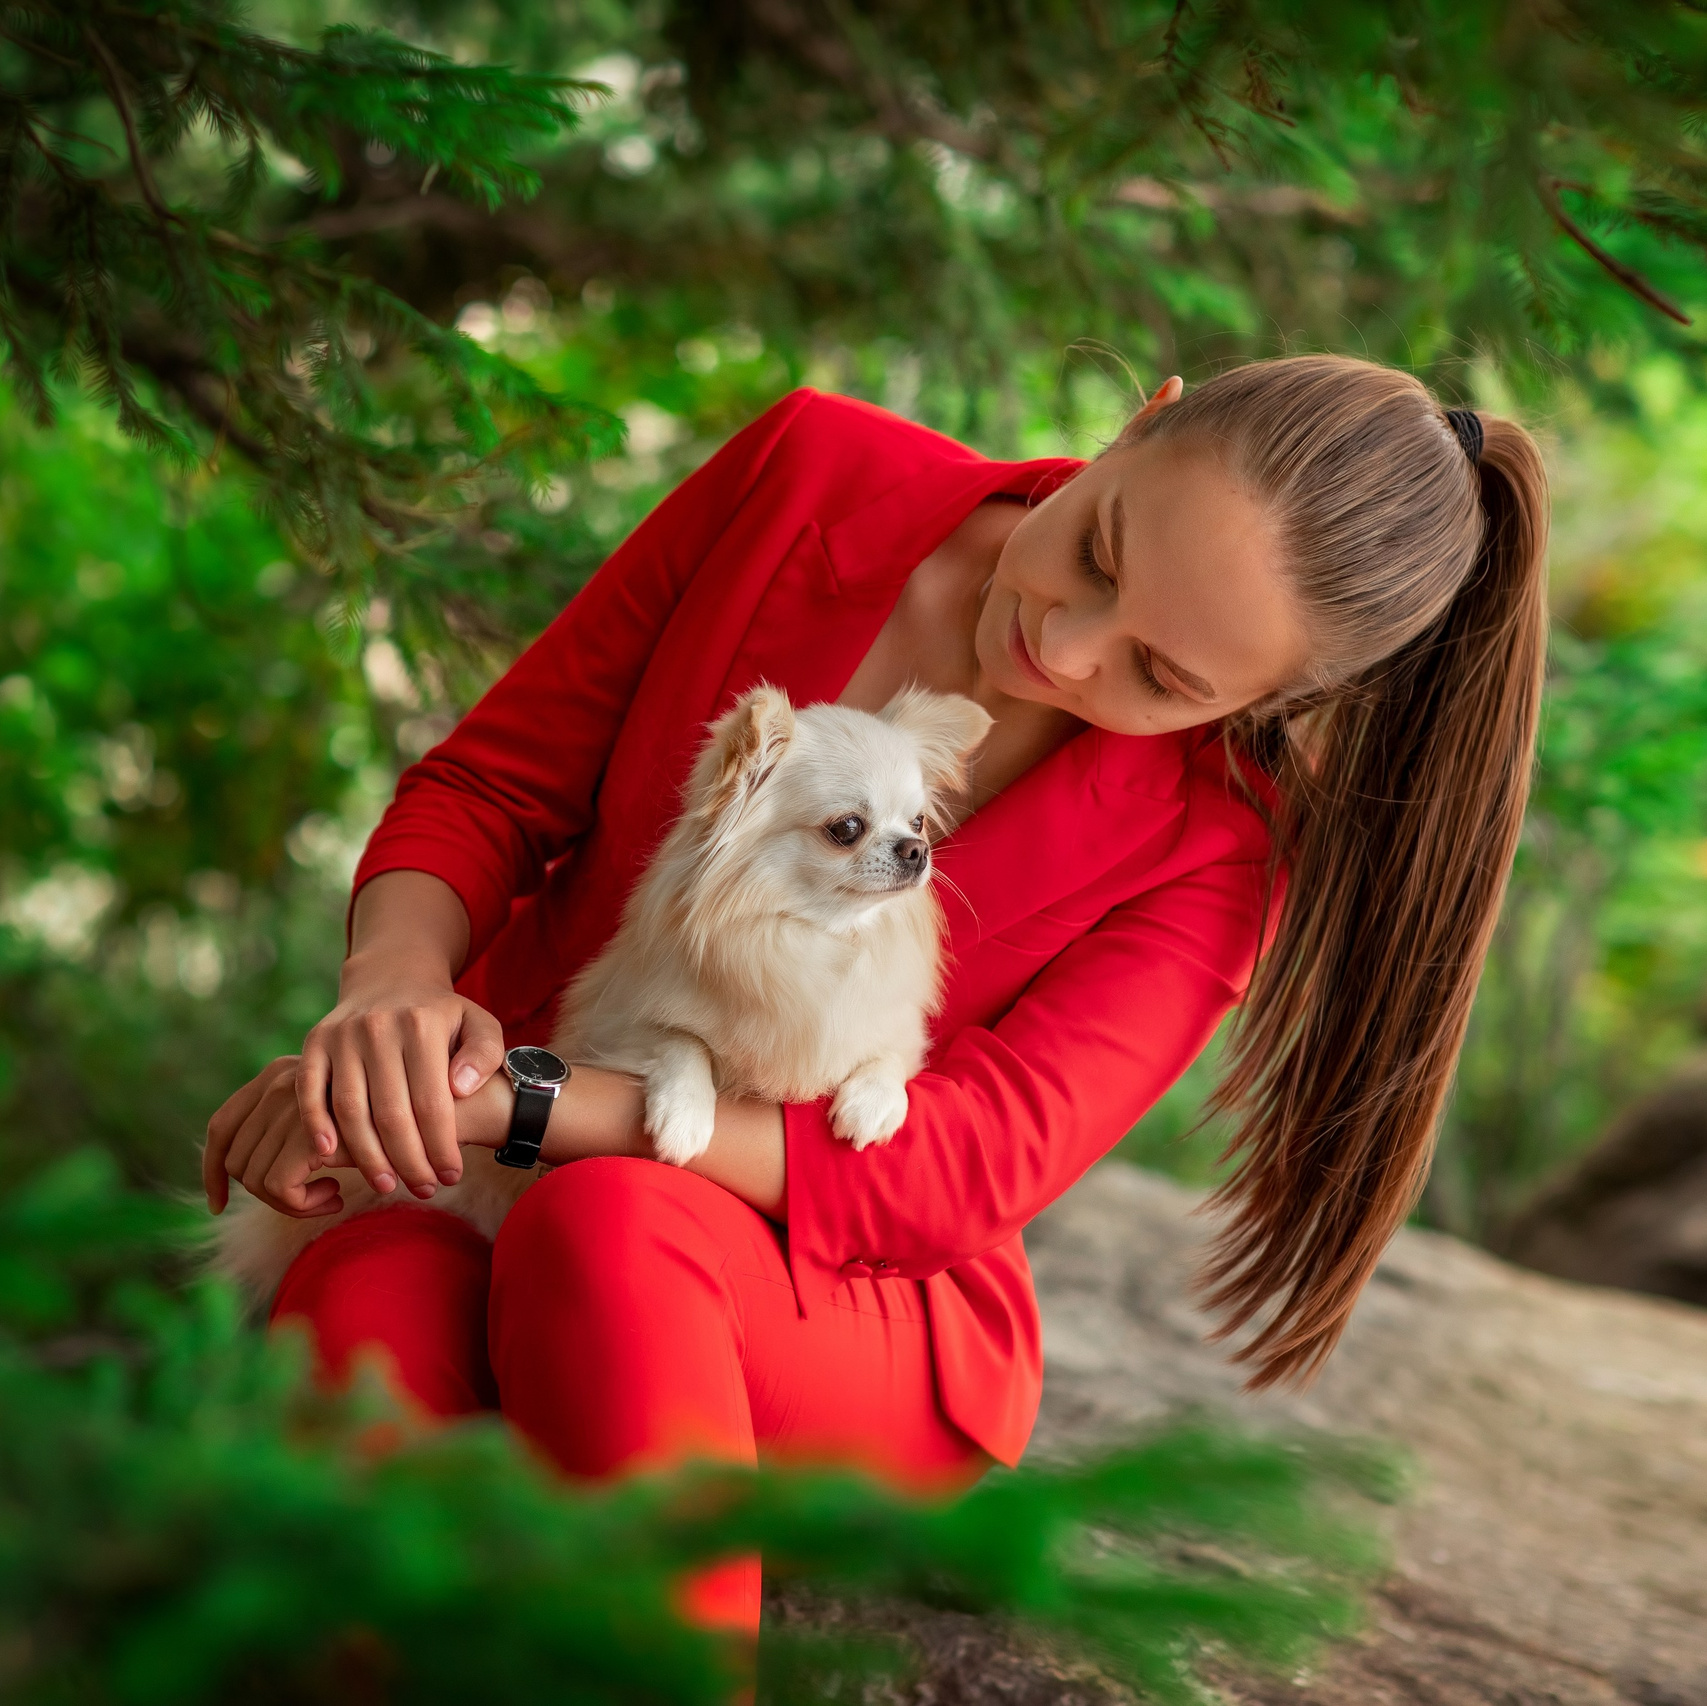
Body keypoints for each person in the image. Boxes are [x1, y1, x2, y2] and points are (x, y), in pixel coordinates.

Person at [202, 356, 1549, 1635]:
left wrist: (522, 1101)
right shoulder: (807, 473)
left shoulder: (1224, 844)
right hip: (493, 1165)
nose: (1068, 647)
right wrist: (389, 1010)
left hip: (842, 1288)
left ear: (1285, 699)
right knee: (369, 1296)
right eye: (1096, 551)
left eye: (1163, 676)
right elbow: (494, 787)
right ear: (1141, 419)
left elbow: (959, 1164)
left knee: (615, 1222)